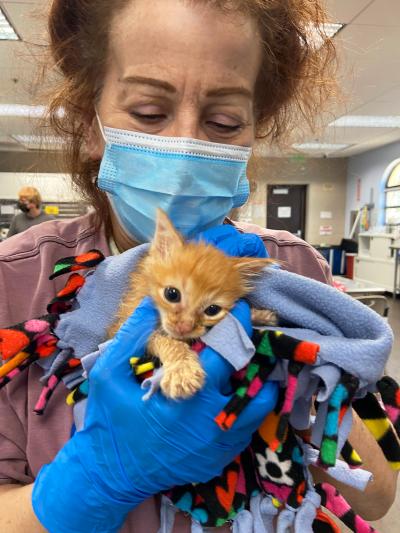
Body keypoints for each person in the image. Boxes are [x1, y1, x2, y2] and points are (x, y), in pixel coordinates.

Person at [0, 1, 397, 532]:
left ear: (253, 136)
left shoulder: (291, 271)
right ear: (90, 124)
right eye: (148, 113)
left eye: (223, 121)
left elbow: (376, 498)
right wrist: (93, 480)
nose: (186, 145)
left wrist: (302, 382)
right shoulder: (15, 281)